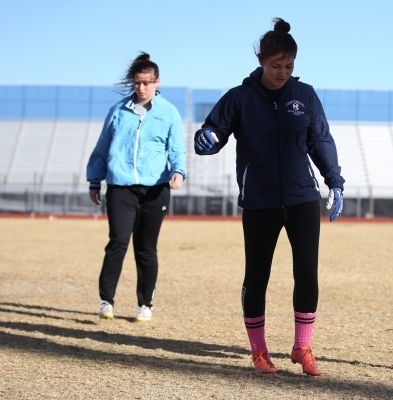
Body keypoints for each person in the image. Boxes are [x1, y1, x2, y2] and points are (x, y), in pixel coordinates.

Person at [194, 18, 344, 376]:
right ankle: (259, 352)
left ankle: (302, 346)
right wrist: (207, 138)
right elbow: (213, 131)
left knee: (307, 274)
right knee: (256, 276)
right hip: (259, 201)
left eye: (289, 66)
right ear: (261, 60)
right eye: (276, 66)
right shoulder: (240, 97)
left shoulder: (304, 94)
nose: (282, 72)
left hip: (301, 198)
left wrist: (334, 180)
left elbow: (320, 139)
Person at [87, 53, 186, 322]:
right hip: (120, 188)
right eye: (137, 83)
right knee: (117, 242)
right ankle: (106, 300)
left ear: (157, 82)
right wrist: (95, 180)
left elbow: (177, 148)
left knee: (146, 247)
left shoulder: (169, 113)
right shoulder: (118, 111)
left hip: (155, 189)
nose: (141, 88)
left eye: (146, 83)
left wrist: (178, 172)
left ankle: (145, 304)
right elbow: (102, 147)